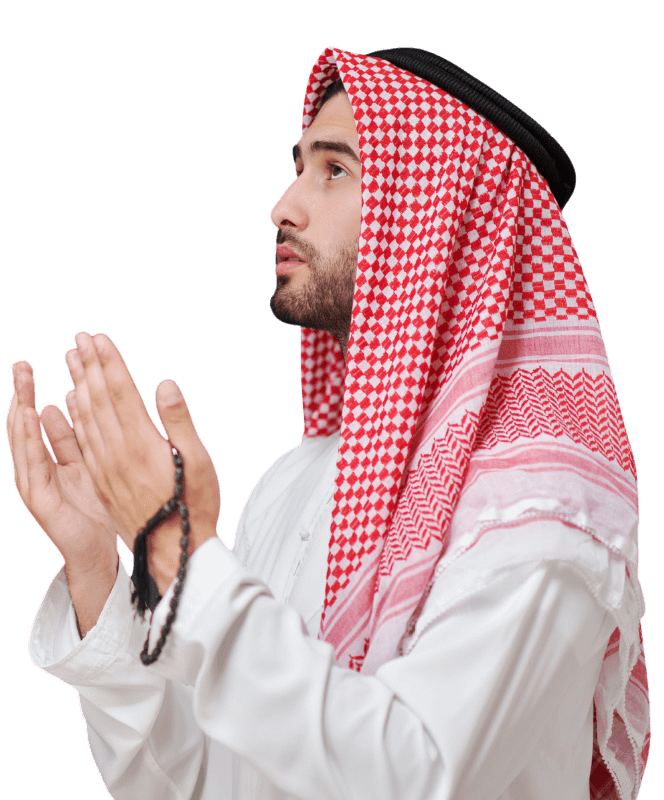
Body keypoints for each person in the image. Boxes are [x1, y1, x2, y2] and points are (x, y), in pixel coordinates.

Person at [7, 46, 649, 799]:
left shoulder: (541, 508)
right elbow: (209, 784)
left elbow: (408, 779)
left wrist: (183, 555)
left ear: (434, 216)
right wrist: (101, 573)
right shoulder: (296, 482)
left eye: (334, 169)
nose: (282, 205)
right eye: (298, 164)